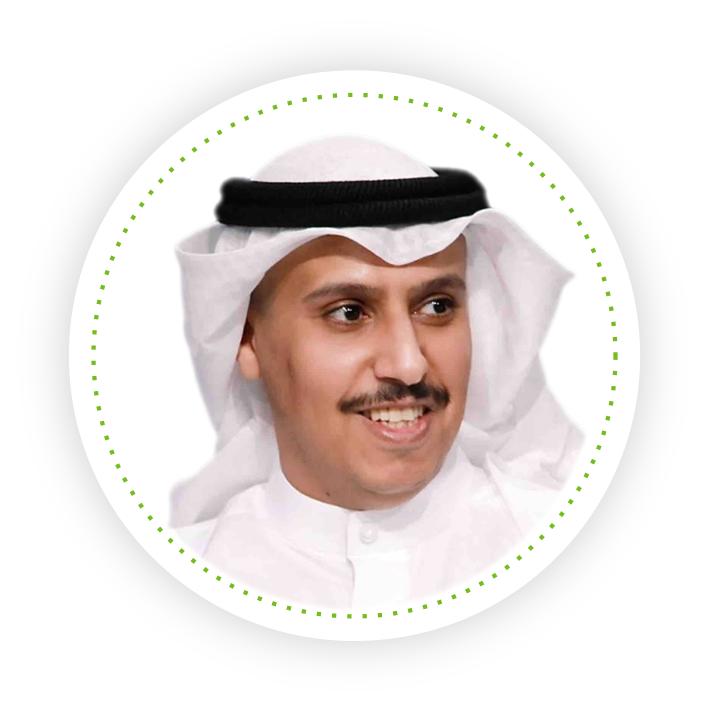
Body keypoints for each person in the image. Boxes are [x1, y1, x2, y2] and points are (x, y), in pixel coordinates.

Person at [171, 135, 583, 609]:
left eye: (437, 306)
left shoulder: (551, 531)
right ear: (247, 341)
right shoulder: (194, 564)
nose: (409, 365)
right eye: (348, 313)